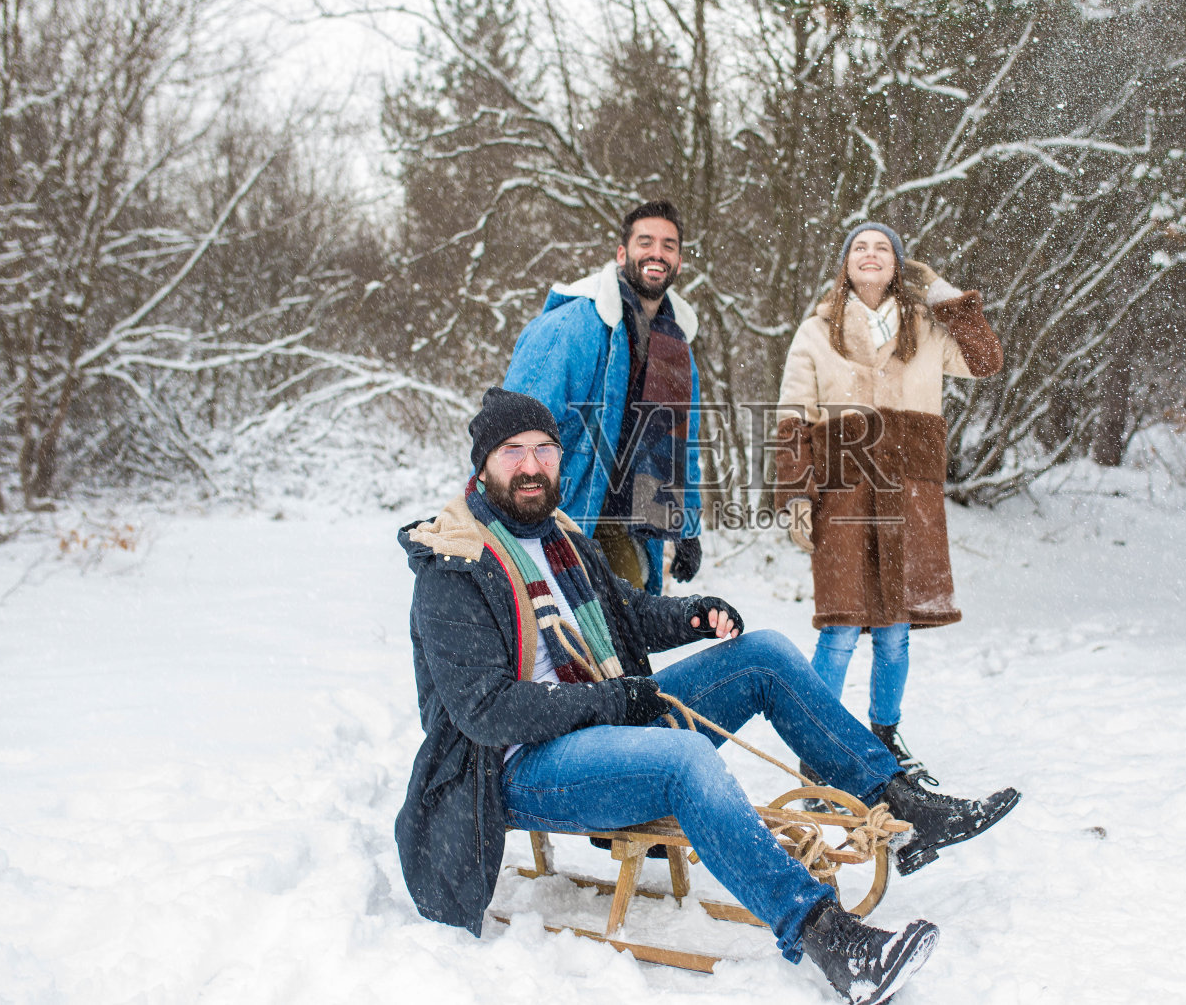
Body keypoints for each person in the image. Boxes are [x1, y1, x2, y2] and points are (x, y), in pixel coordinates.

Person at [395, 386, 1020, 1005]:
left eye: (544, 448)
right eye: (512, 451)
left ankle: (902, 807)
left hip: (607, 719)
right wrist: (613, 703)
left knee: (765, 655)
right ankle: (830, 938)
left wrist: (692, 616)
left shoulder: (560, 536)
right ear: (482, 463)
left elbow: (627, 614)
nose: (531, 467)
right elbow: (486, 711)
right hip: (521, 767)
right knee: (684, 761)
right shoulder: (455, 564)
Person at [774, 222, 1004, 784]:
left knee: (896, 632)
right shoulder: (814, 332)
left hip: (909, 495)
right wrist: (797, 497)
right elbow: (792, 418)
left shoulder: (926, 327)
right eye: (860, 247)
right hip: (843, 493)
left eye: (883, 248)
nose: (871, 255)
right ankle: (819, 747)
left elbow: (985, 360)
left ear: (899, 265)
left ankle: (885, 739)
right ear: (846, 264)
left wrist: (945, 293)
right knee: (841, 629)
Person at [503, 200, 702, 594]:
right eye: (646, 241)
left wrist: (687, 527)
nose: (657, 253)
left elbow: (681, 445)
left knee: (630, 621)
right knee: (566, 638)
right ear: (622, 254)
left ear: (678, 263)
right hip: (563, 512)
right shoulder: (572, 327)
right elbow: (511, 427)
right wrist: (509, 520)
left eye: (669, 245)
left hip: (623, 518)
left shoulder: (675, 347)